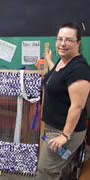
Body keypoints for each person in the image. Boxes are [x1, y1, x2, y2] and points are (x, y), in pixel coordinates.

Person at [37, 22, 90, 180]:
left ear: (78, 43)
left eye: (68, 40)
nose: (62, 43)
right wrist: (48, 60)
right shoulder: (63, 61)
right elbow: (59, 77)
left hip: (64, 131)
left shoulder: (79, 69)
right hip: (55, 128)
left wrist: (64, 136)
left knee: (46, 171)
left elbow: (77, 106)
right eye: (59, 39)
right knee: (62, 170)